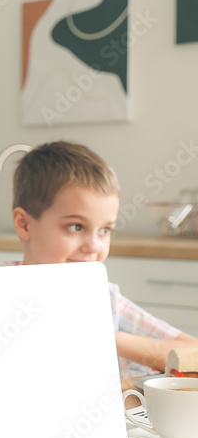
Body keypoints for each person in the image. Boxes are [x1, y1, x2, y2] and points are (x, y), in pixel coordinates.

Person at [11, 141, 198, 387]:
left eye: (105, 230)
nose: (94, 246)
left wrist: (105, 339)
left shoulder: (108, 300)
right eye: (76, 227)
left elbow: (192, 354)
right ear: (24, 225)